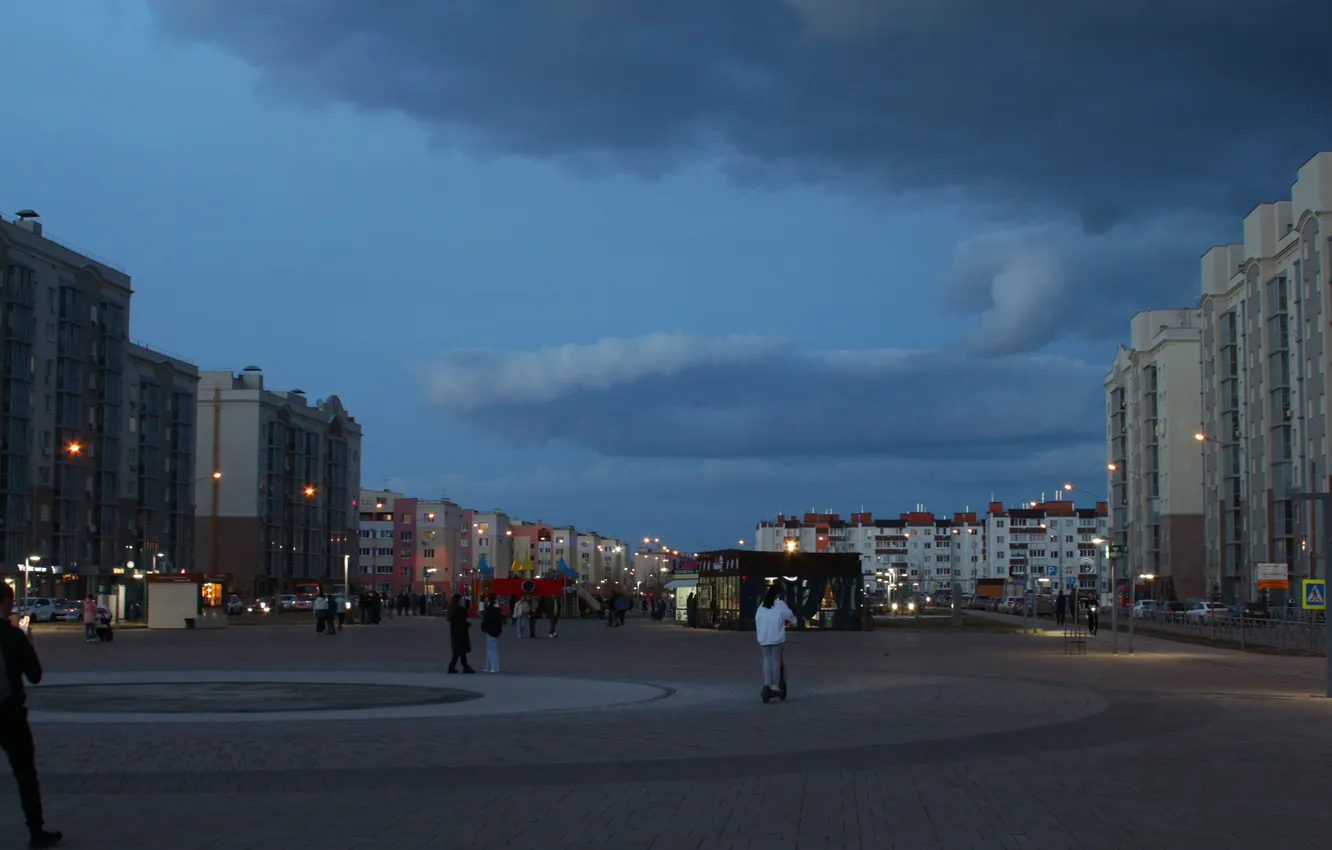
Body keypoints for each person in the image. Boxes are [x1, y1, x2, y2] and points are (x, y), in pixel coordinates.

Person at [1, 581, 63, 848]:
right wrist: (28, 644)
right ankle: (36, 831)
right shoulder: (12, 636)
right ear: (6, 602)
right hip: (9, 713)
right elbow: (35, 676)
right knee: (25, 773)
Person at [755, 583, 797, 702]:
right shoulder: (780, 604)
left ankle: (767, 684)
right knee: (775, 661)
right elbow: (789, 615)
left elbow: (757, 619)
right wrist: (794, 621)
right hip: (775, 638)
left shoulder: (762, 605)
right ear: (778, 594)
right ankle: (774, 685)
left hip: (763, 638)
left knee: (766, 660)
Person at [446, 594, 475, 674]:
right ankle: (464, 667)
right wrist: (467, 625)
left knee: (458, 652)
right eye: (461, 599)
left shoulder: (452, 611)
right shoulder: (460, 610)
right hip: (461, 633)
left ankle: (455, 667)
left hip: (455, 634)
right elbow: (462, 621)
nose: (462, 600)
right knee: (461, 651)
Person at [480, 595, 503, 673]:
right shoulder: (497, 610)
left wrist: (483, 627)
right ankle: (489, 666)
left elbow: (486, 621)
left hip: (490, 630)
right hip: (494, 630)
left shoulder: (489, 610)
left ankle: (493, 666)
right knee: (491, 648)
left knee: (491, 649)